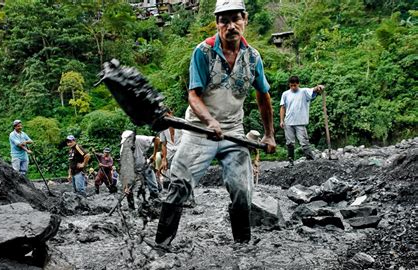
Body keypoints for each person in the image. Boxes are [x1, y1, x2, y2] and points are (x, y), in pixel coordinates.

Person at [154, 0, 276, 247]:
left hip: (233, 131)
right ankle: (162, 244)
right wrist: (209, 121)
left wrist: (269, 134)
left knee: (243, 189)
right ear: (217, 23)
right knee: (179, 183)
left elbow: (263, 96)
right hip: (199, 130)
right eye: (224, 20)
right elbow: (193, 95)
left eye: (236, 19)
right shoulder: (203, 52)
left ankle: (242, 244)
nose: (231, 25)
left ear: (245, 19)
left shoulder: (252, 58)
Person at [280, 76, 324, 166]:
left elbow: (313, 90)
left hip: (300, 122)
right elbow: (282, 107)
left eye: (295, 85)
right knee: (289, 143)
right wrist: (281, 120)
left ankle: (310, 159)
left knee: (304, 141)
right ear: (289, 85)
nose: (293, 87)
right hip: (288, 121)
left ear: (298, 84)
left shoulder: (304, 91)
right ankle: (290, 161)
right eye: (291, 85)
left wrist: (319, 87)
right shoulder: (285, 94)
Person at [121, 130, 161, 209]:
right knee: (129, 190)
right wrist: (126, 186)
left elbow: (157, 140)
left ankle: (155, 205)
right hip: (133, 170)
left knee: (153, 186)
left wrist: (154, 154)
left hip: (145, 165)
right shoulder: (123, 150)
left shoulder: (140, 139)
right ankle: (131, 207)